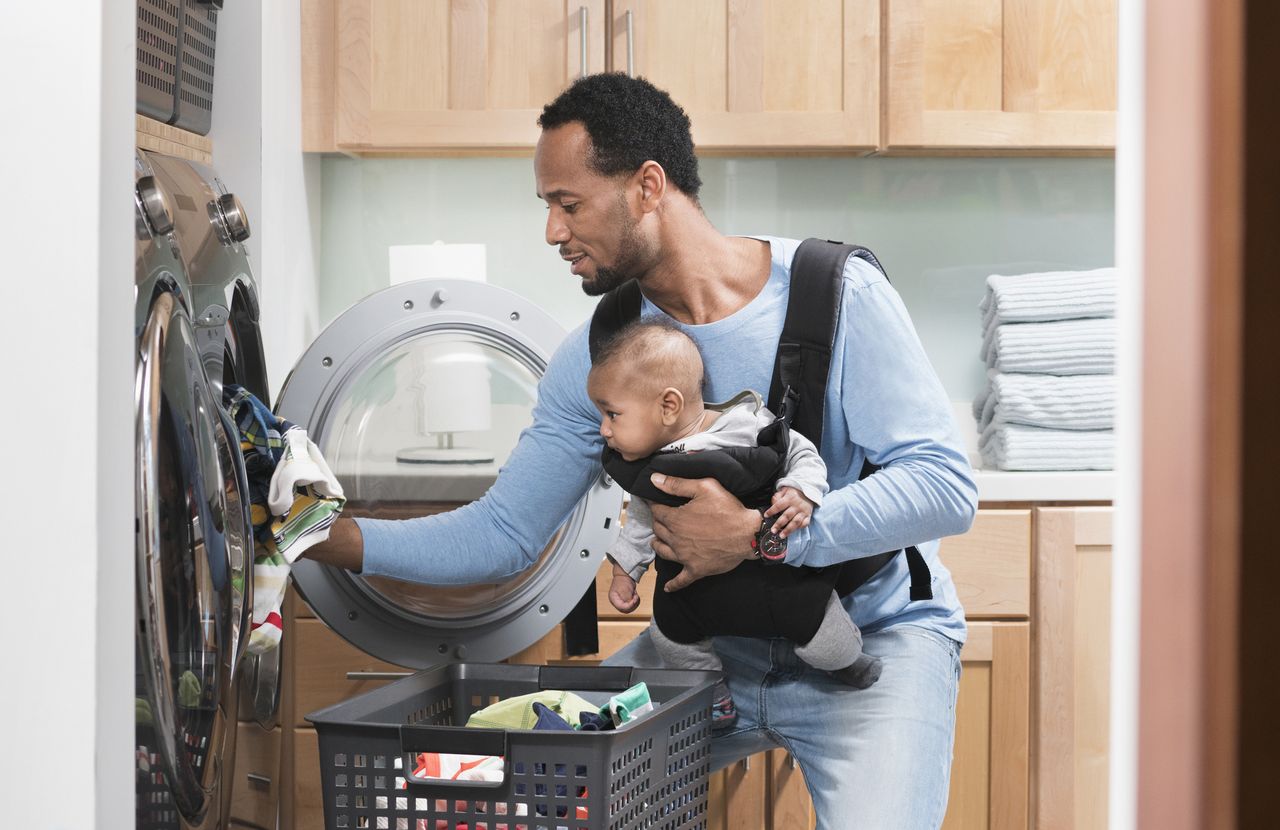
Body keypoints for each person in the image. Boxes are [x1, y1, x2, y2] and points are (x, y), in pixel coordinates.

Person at [306, 72, 976, 828]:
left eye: (568, 203)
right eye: (547, 208)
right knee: (535, 801)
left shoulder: (835, 294)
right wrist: (312, 537)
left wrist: (761, 537)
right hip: (708, 653)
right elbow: (501, 534)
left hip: (872, 643)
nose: (553, 232)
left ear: (647, 187)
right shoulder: (602, 359)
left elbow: (945, 488)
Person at [588, 318, 885, 731]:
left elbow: (801, 452)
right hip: (690, 593)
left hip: (778, 583)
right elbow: (641, 518)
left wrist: (800, 492)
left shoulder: (745, 425)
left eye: (611, 414)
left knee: (822, 638)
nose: (603, 429)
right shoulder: (647, 466)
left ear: (668, 406)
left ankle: (848, 661)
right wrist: (625, 570)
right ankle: (713, 693)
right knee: (668, 639)